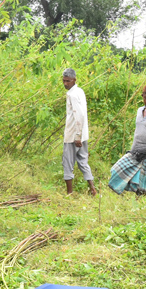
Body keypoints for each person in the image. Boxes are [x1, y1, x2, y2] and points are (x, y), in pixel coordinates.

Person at [61, 68, 97, 196]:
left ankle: (69, 193)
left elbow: (79, 115)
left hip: (73, 135)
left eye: (68, 81)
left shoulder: (72, 94)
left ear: (74, 80)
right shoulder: (79, 91)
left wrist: (77, 136)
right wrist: (81, 135)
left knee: (67, 162)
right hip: (82, 134)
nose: (65, 84)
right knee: (83, 161)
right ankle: (92, 189)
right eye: (64, 81)